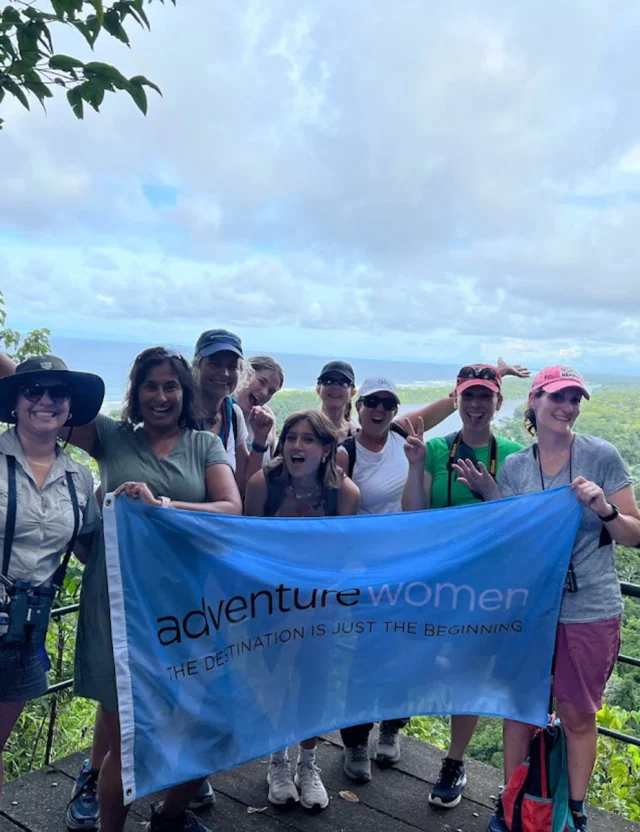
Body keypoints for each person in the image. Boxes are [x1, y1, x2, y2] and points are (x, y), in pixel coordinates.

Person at [56, 346, 242, 832]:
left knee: (202, 721)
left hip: (186, 604)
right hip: (119, 601)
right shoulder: (113, 439)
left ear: (185, 392)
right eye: (150, 386)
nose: (161, 396)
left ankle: (171, 817)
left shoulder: (204, 446)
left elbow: (231, 509)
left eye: (171, 386)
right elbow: (47, 400)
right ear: (136, 393)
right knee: (124, 736)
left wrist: (163, 504)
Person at [452, 366, 640, 832]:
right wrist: (493, 496)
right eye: (557, 396)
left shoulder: (600, 455)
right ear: (533, 402)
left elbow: (634, 535)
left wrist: (605, 508)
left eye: (575, 399)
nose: (567, 407)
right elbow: (516, 536)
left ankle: (572, 812)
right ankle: (514, 804)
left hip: (589, 609)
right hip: (532, 609)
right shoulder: (517, 466)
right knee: (520, 712)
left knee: (578, 715)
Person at [402, 363, 524, 810]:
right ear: (456, 400)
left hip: (483, 586)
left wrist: (493, 493)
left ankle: (453, 761)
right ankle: (386, 732)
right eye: (468, 396)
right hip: (434, 579)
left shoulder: (513, 454)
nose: (475, 406)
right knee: (411, 658)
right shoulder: (435, 448)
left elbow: (520, 526)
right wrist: (415, 467)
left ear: (498, 402)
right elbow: (413, 512)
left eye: (484, 397)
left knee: (468, 671)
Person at [0, 355, 104, 806]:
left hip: (24, 630)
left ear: (69, 406)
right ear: (15, 401)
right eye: (33, 391)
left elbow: (90, 548)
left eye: (57, 393)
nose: (45, 401)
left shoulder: (79, 478)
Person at [245, 410, 360, 811]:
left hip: (320, 608)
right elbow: (246, 548)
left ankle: (308, 764)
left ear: (327, 449)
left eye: (309, 439)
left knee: (314, 684)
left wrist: (312, 604)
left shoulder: (344, 495)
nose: (297, 446)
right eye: (291, 437)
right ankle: (278, 762)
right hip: (269, 605)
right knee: (277, 683)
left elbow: (341, 560)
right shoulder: (264, 486)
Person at [333, 377, 413, 781]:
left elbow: (447, 405)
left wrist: (496, 373)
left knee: (403, 651)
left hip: (405, 568)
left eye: (388, 403)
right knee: (364, 656)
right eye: (372, 402)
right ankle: (355, 741)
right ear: (358, 405)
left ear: (395, 410)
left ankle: (392, 727)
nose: (379, 410)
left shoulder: (404, 439)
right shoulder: (346, 452)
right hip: (364, 573)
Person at [192, 330, 275, 491]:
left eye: (232, 367)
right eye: (214, 364)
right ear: (197, 365)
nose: (224, 373)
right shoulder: (179, 413)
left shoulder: (232, 415)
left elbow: (244, 483)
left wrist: (260, 439)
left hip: (217, 513)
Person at [235, 355, 284, 461]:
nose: (264, 392)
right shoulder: (221, 412)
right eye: (262, 381)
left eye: (271, 391)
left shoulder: (266, 416)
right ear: (245, 373)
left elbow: (270, 465)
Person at [316, 361, 359, 444]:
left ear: (352, 392)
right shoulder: (303, 429)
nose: (335, 387)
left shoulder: (356, 436)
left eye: (343, 383)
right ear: (318, 389)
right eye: (328, 381)